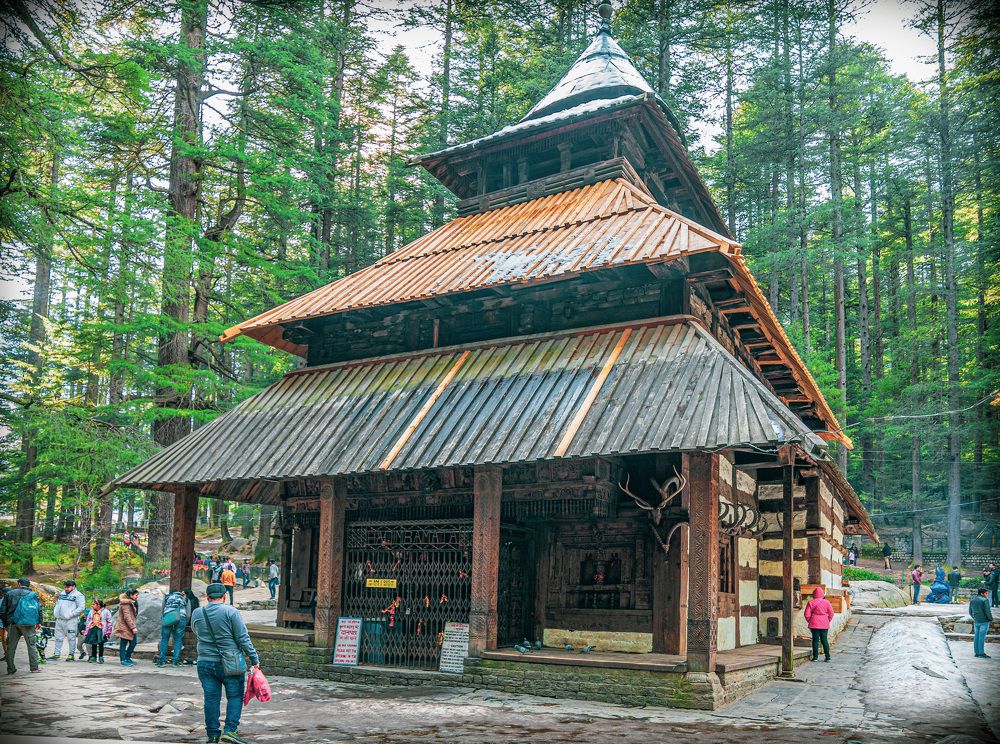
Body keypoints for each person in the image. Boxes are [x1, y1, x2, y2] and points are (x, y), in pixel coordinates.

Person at [191, 583, 260, 744]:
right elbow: (243, 638)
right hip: (231, 663)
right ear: (224, 596)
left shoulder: (197, 612)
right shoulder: (231, 612)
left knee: (211, 698)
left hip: (205, 662)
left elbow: (196, 631)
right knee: (235, 696)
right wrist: (254, 659)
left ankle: (213, 734)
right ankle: (230, 730)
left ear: (207, 597)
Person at [3, 578, 42, 675]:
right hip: (28, 623)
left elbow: (3, 610)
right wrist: (39, 622)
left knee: (11, 647)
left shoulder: (10, 593)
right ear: (28, 585)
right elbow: (38, 609)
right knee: (31, 646)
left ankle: (10, 669)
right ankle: (34, 668)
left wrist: (6, 624)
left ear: (19, 584)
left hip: (13, 623)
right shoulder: (33, 595)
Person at [51, 579, 86, 661]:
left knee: (71, 637)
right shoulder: (62, 593)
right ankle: (56, 654)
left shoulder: (78, 595)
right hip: (59, 619)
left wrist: (71, 614)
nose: (66, 589)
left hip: (70, 620)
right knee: (58, 637)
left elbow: (81, 607)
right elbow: (58, 604)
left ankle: (71, 654)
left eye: (68, 587)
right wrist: (55, 612)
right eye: (65, 587)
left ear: (73, 587)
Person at [157, 589, 191, 667]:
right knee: (178, 640)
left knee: (165, 639)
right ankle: (175, 662)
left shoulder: (167, 597)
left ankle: (162, 662)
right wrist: (185, 622)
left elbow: (162, 609)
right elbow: (188, 614)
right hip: (181, 618)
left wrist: (165, 618)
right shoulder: (185, 598)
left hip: (168, 617)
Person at [804, 586, 835, 662]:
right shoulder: (827, 602)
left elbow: (806, 614)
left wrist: (810, 621)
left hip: (814, 623)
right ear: (822, 594)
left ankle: (815, 657)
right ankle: (827, 657)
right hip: (824, 623)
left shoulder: (810, 602)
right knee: (824, 640)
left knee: (815, 640)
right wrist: (827, 620)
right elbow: (831, 613)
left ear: (814, 594)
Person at [114, 588, 139, 666]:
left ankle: (127, 658)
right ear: (131, 595)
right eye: (136, 595)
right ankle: (123, 660)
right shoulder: (125, 603)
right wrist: (133, 627)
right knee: (124, 643)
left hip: (130, 626)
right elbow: (127, 617)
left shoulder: (132, 602)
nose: (137, 597)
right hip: (124, 626)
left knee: (133, 643)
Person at [82, 599, 112, 663]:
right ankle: (94, 657)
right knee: (93, 643)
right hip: (93, 628)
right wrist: (87, 629)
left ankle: (101, 657)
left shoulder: (106, 612)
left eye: (93, 604)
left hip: (101, 629)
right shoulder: (91, 612)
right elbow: (88, 620)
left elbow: (109, 621)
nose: (92, 605)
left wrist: (108, 631)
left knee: (101, 643)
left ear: (98, 605)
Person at [970, 587, 993, 658]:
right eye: (986, 593)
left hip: (976, 621)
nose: (987, 595)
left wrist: (975, 618)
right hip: (984, 621)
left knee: (976, 637)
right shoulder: (985, 600)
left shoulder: (973, 600)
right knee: (981, 638)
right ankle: (981, 653)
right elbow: (987, 611)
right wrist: (990, 619)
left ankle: (977, 652)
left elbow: (970, 611)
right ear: (982, 593)